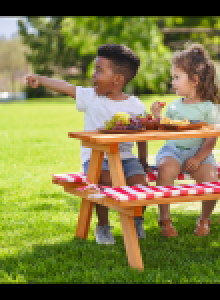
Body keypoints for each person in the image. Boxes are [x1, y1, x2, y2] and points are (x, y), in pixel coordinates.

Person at [26, 44, 150, 244]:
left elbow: (142, 134)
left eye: (99, 70)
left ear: (118, 79)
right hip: (96, 158)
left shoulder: (135, 104)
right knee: (106, 180)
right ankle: (103, 226)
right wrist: (40, 80)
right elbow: (65, 86)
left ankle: (137, 219)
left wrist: (143, 161)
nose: (93, 75)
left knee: (141, 184)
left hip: (126, 157)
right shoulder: (91, 97)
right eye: (95, 69)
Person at [151, 43, 220, 237]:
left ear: (194, 80)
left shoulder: (208, 108)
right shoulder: (174, 107)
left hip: (200, 153)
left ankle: (205, 219)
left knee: (211, 180)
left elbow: (211, 139)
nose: (172, 82)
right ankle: (164, 219)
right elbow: (165, 129)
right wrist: (157, 117)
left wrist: (198, 159)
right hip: (173, 150)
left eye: (176, 77)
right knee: (165, 169)